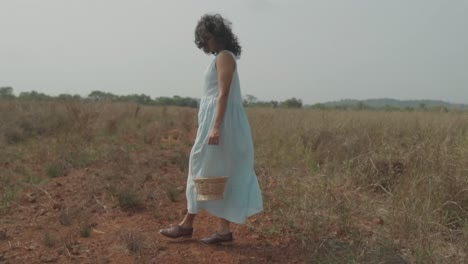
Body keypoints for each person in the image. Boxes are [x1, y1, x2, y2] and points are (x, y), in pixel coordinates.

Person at [159, 14, 263, 246]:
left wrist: (215, 127)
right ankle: (220, 229)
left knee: (201, 168)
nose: (206, 42)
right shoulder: (219, 57)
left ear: (219, 35)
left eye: (208, 37)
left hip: (223, 124)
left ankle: (187, 224)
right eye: (203, 38)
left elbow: (223, 94)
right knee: (215, 171)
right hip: (219, 122)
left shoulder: (225, 57)